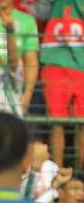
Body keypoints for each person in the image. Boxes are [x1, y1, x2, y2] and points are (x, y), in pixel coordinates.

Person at [40, 0, 83, 169]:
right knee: (57, 121)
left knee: (83, 123)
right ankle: (57, 172)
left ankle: (80, 175)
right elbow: (40, 11)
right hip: (55, 59)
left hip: (82, 63)